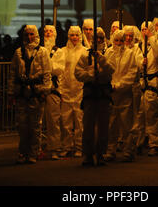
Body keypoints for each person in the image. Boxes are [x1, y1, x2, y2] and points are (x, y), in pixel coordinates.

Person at [8, 25, 52, 164]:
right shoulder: (18, 53)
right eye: (27, 34)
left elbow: (47, 73)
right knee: (22, 125)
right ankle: (22, 152)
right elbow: (12, 74)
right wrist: (11, 93)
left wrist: (45, 91)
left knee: (35, 125)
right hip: (21, 93)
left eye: (32, 34)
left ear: (36, 35)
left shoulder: (42, 52)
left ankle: (33, 152)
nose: (29, 37)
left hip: (37, 93)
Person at [74, 28, 116, 166]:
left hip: (103, 93)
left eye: (100, 38)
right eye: (95, 38)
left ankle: (101, 153)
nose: (98, 40)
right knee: (88, 126)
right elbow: (78, 73)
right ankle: (87, 154)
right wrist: (91, 76)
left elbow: (111, 69)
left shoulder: (110, 53)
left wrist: (101, 59)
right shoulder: (85, 55)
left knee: (103, 126)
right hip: (90, 93)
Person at [104, 29, 138, 162]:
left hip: (125, 94)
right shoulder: (108, 53)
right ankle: (110, 150)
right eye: (116, 40)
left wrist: (120, 85)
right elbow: (105, 70)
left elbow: (132, 72)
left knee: (127, 123)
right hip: (111, 93)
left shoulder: (130, 54)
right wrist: (109, 84)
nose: (118, 43)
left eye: (121, 40)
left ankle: (128, 150)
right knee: (111, 123)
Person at [132, 21, 158, 156]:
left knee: (151, 115)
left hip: (152, 81)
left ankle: (154, 144)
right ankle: (137, 143)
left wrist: (151, 37)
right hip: (141, 81)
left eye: (147, 29)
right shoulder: (137, 46)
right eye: (143, 29)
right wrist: (141, 63)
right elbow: (133, 61)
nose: (144, 31)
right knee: (139, 115)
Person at [57, 26, 86, 157]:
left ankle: (80, 147)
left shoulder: (85, 52)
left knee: (80, 122)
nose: (74, 37)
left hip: (80, 91)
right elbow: (61, 72)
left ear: (80, 36)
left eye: (76, 35)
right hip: (67, 91)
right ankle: (67, 146)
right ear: (68, 36)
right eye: (72, 35)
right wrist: (61, 89)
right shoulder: (63, 51)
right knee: (66, 122)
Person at [40, 25, 65, 160]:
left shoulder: (58, 52)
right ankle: (36, 148)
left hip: (53, 89)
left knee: (53, 120)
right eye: (46, 32)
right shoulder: (40, 50)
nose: (48, 34)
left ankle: (55, 148)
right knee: (37, 121)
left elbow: (58, 69)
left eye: (50, 31)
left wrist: (46, 66)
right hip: (39, 88)